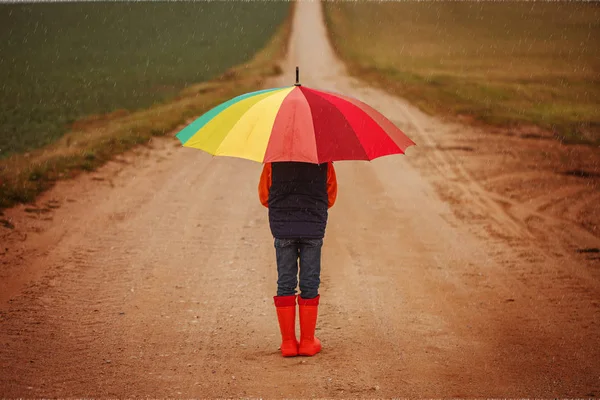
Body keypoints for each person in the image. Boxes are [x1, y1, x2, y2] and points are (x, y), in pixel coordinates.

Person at [258, 161, 337, 357]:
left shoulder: (272, 163)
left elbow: (264, 196)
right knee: (310, 281)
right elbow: (330, 197)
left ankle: (288, 343)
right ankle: (308, 342)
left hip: (284, 230)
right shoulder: (324, 162)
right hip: (312, 229)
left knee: (285, 281)